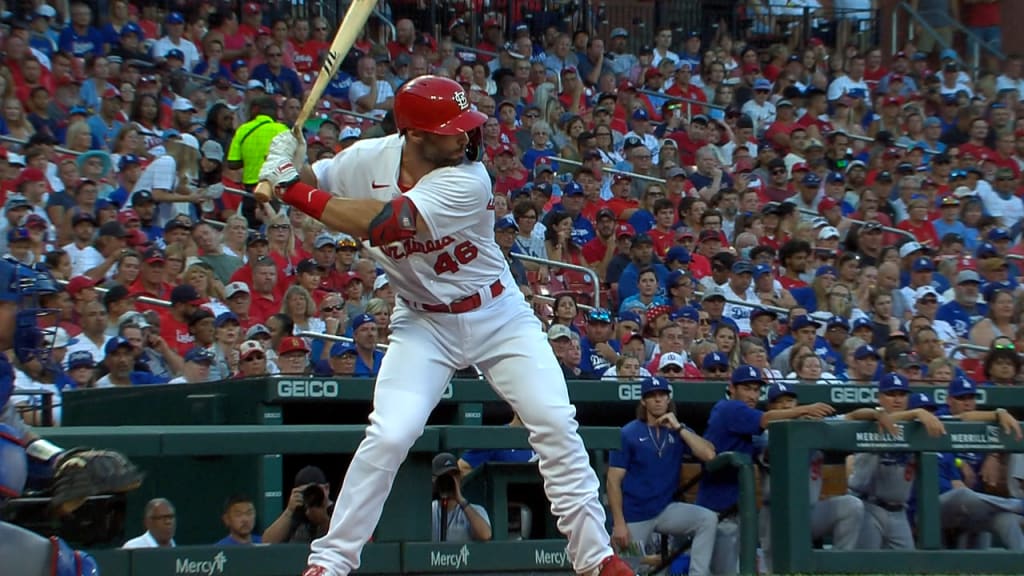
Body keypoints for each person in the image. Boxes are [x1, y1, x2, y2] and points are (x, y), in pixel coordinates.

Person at [258, 75, 629, 576]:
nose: (464, 137)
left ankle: (597, 559)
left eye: (464, 126)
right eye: (451, 130)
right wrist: (287, 160)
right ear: (415, 136)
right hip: (422, 322)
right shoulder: (365, 160)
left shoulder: (469, 178)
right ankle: (330, 563)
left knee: (554, 421)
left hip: (497, 314)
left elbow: (383, 223)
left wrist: (292, 186)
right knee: (390, 435)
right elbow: (308, 186)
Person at [697, 365, 835, 575]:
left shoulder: (742, 419)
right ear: (732, 388)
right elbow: (766, 419)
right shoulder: (729, 408)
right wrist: (804, 409)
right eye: (747, 388)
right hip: (716, 513)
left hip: (733, 512)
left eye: (756, 390)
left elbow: (766, 443)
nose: (752, 395)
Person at [756, 383, 898, 570]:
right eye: (779, 402)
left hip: (810, 512)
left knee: (850, 505)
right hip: (776, 515)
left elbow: (852, 416)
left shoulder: (815, 426)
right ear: (770, 408)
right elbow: (767, 452)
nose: (785, 405)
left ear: (796, 402)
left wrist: (878, 413)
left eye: (789, 401)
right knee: (775, 568)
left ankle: (838, 568)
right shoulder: (766, 434)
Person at [606, 376, 718, 576]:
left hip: (666, 510)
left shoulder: (677, 430)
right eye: (652, 396)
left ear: (668, 399)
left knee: (707, 519)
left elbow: (709, 455)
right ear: (643, 401)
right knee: (625, 568)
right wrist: (619, 523)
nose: (657, 399)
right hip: (634, 517)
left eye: (662, 395)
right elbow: (613, 481)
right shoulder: (629, 433)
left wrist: (679, 428)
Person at [848, 373, 947, 549]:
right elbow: (854, 416)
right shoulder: (871, 420)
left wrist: (999, 412)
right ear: (879, 397)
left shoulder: (917, 426)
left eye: (901, 394)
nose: (897, 399)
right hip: (868, 507)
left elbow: (962, 418)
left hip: (899, 512)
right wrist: (915, 412)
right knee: (865, 567)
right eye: (891, 394)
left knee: (908, 567)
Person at [430, 452, 492, 542]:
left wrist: (461, 500)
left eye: (454, 475)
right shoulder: (430, 511)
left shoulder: (475, 510)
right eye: (444, 477)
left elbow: (485, 535)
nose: (449, 481)